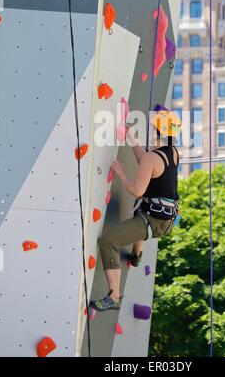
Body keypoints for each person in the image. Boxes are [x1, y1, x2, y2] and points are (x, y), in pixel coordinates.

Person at [90, 105, 181, 312]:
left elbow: (137, 190)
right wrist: (131, 138)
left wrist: (121, 173)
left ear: (157, 131)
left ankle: (113, 296)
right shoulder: (173, 153)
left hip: (153, 221)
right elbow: (148, 164)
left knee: (108, 241)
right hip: (164, 217)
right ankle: (137, 255)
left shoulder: (153, 157)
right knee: (142, 206)